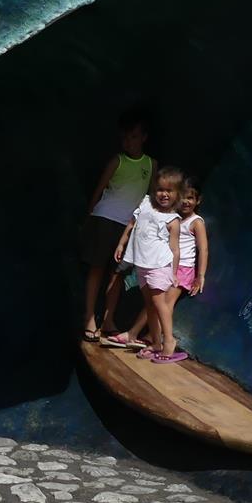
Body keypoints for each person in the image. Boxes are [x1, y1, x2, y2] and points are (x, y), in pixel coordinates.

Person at [80, 108, 153, 340]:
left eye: (133, 137)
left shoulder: (151, 165)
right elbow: (100, 189)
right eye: (125, 137)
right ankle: (89, 317)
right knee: (97, 268)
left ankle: (109, 320)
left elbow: (149, 200)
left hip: (127, 226)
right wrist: (89, 216)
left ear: (144, 137)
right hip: (104, 220)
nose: (128, 142)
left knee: (117, 274)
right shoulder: (117, 161)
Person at [105, 167, 187, 362]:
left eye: (169, 191)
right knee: (150, 304)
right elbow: (132, 225)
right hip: (143, 264)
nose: (164, 194)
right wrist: (122, 243)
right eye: (160, 190)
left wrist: (173, 273)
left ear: (177, 194)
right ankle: (156, 343)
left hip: (159, 266)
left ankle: (169, 341)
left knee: (160, 304)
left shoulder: (173, 220)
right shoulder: (145, 204)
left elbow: (175, 250)